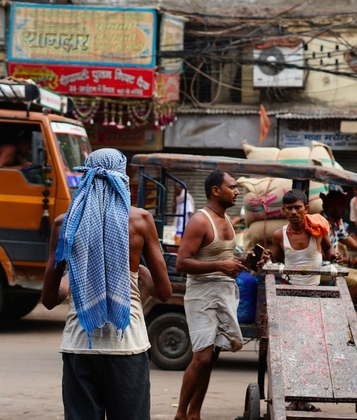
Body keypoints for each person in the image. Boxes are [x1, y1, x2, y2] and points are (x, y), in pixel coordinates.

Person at [41, 148, 173, 420]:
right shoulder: (140, 220)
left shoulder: (63, 224)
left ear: (87, 176)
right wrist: (140, 273)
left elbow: (49, 299)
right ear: (121, 177)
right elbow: (164, 292)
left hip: (80, 346)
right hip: (128, 346)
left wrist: (71, 279)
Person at [174, 169, 269, 420]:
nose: (237, 191)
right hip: (202, 296)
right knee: (202, 357)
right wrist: (220, 266)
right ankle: (181, 414)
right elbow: (181, 263)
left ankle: (195, 413)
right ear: (216, 191)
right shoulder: (200, 221)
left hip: (224, 293)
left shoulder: (226, 220)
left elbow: (224, 259)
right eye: (232, 187)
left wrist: (248, 262)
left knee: (212, 356)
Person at [271, 189, 339, 286]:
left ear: (306, 209)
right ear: (284, 210)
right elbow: (278, 259)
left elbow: (328, 248)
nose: (293, 212)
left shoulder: (317, 230)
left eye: (298, 207)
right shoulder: (279, 235)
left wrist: (333, 256)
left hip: (314, 287)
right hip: (288, 286)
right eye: (289, 208)